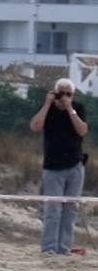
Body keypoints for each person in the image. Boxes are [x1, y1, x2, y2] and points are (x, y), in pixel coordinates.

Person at [30, 78, 89, 256]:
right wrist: (48, 104)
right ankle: (49, 248)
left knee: (70, 209)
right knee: (53, 209)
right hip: (53, 166)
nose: (64, 97)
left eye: (68, 94)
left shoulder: (78, 108)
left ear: (73, 95)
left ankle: (64, 249)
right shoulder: (47, 109)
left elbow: (82, 130)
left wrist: (70, 108)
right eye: (61, 93)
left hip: (75, 165)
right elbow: (35, 126)